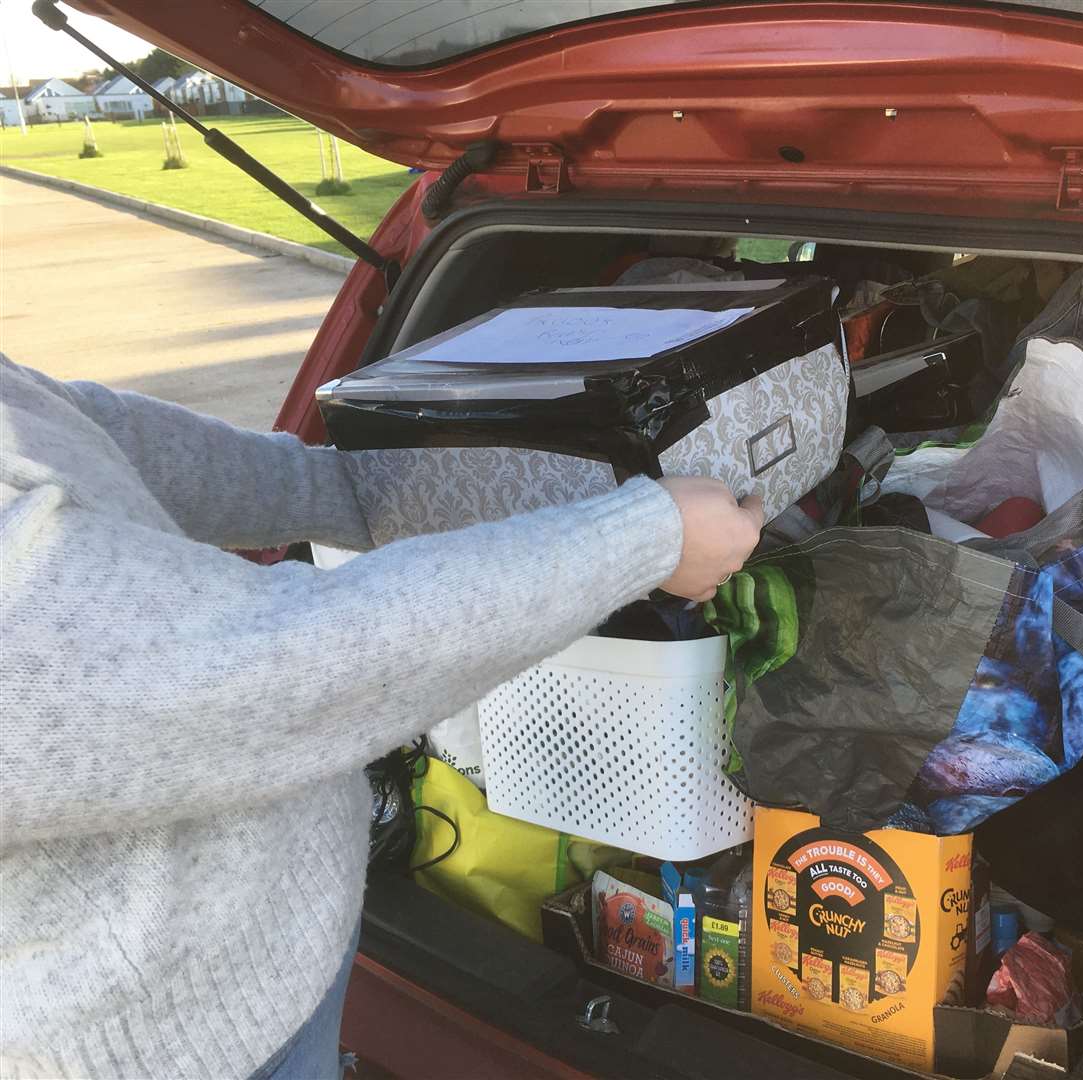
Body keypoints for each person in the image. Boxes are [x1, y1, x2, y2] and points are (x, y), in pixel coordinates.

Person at [0, 355, 763, 1079]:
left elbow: (100, 438)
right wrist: (646, 539)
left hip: (281, 952)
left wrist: (379, 496)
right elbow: (287, 667)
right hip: (184, 1045)